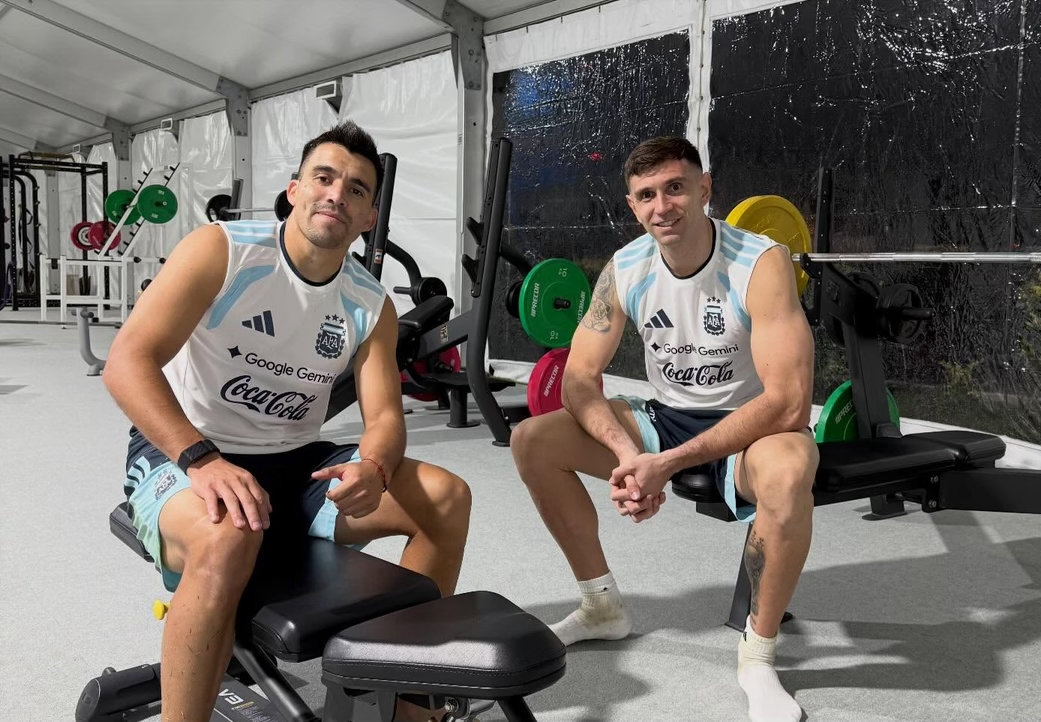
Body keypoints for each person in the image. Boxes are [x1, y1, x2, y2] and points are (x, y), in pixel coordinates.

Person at [103, 121, 470, 722]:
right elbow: (127, 362)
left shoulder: (370, 303)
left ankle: (408, 708)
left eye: (356, 189)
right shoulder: (222, 250)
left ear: (368, 217)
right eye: (324, 178)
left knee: (446, 498)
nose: (336, 194)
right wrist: (202, 460)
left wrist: (376, 468)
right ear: (295, 190)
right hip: (184, 452)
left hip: (295, 466)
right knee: (229, 533)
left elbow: (384, 416)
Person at [510, 136, 817, 722]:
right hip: (666, 416)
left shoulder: (761, 262)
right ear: (632, 206)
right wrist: (629, 455)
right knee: (533, 440)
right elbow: (578, 380)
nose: (662, 206)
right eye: (647, 195)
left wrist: (667, 465)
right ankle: (601, 607)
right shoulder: (626, 268)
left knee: (791, 468)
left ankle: (757, 656)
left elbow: (788, 404)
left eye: (675, 188)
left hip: (751, 426)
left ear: (705, 189)